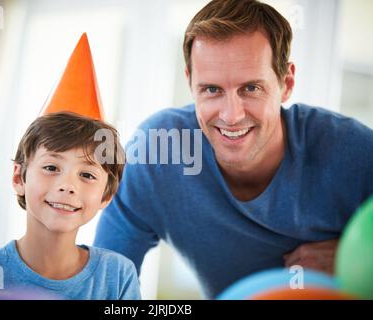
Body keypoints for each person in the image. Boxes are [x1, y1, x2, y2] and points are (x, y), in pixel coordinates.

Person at [94, 0, 373, 299]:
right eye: (212, 89)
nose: (231, 115)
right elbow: (101, 290)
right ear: (190, 82)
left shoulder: (352, 152)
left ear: (286, 83)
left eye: (250, 88)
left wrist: (355, 266)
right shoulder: (157, 153)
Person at [0, 112, 141, 300]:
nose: (68, 186)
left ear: (106, 196)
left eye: (87, 175)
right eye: (51, 168)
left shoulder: (118, 275)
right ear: (18, 177)